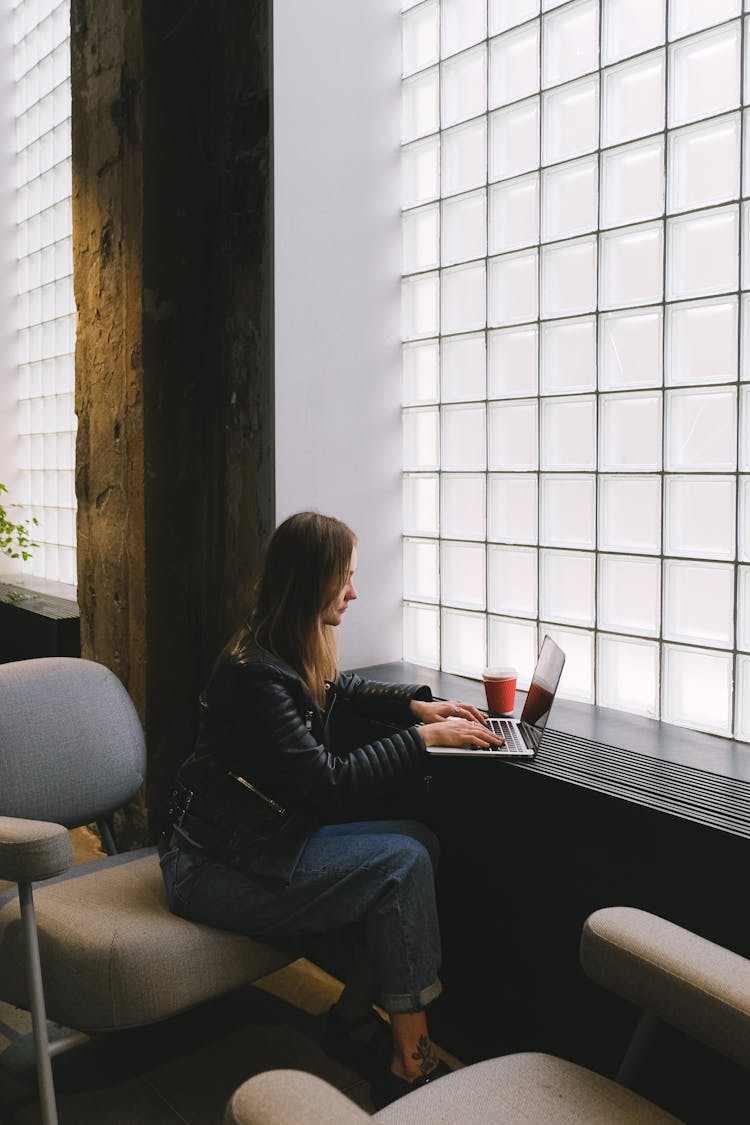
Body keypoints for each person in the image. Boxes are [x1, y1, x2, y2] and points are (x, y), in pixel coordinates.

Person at [160, 511, 504, 1107]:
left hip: (250, 842)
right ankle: (411, 1063)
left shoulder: (278, 642)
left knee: (420, 841)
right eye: (343, 576)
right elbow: (329, 785)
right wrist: (424, 741)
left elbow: (337, 688)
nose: (353, 591)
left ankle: (350, 1019)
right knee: (401, 864)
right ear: (308, 581)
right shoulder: (255, 674)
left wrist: (418, 707)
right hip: (209, 867)